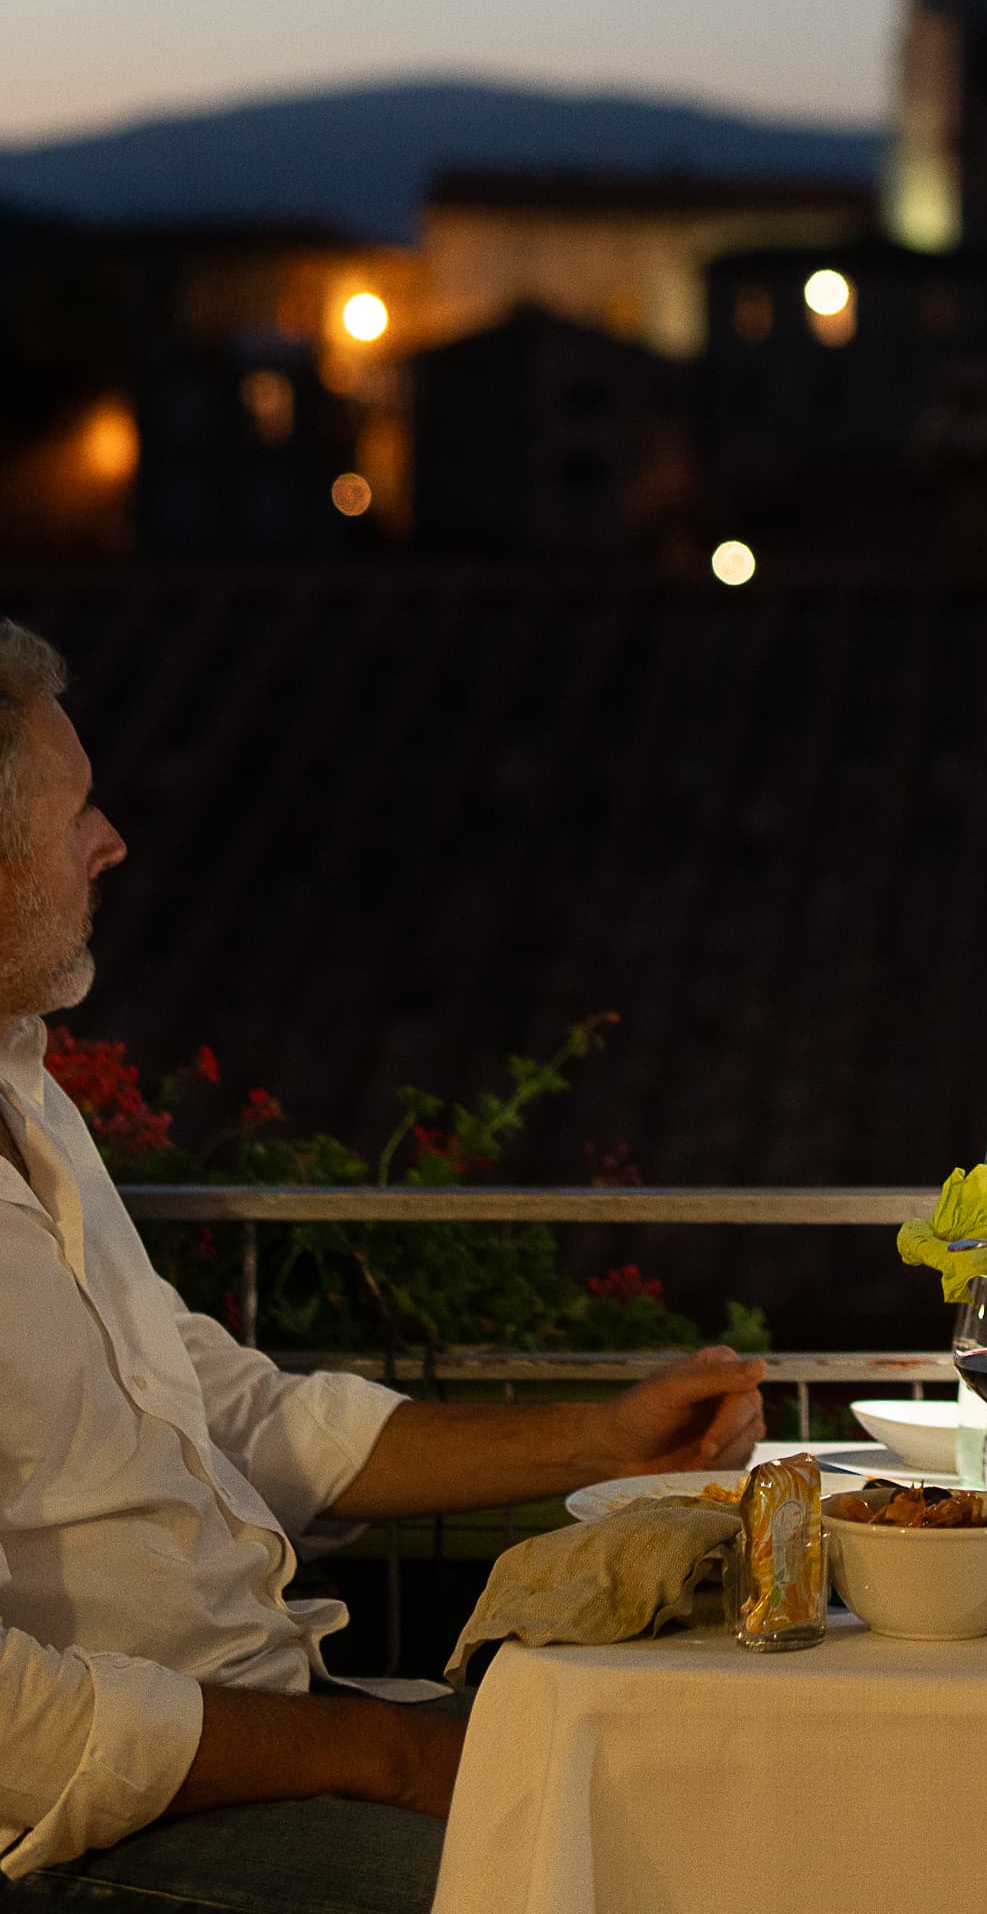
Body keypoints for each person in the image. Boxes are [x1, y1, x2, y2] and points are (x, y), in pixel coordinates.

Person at [0, 620, 767, 1909]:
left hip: (292, 1723)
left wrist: (605, 1438)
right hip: (105, 1837)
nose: (111, 838)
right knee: (634, 1879)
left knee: (732, 1767)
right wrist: (386, 1750)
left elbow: (234, 1414)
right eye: (76, 809)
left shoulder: (27, 1094)